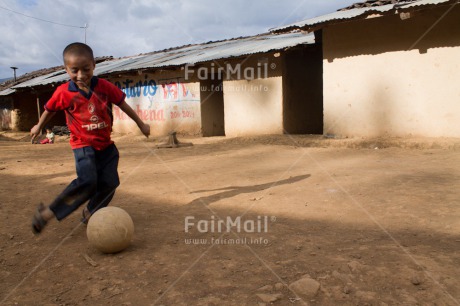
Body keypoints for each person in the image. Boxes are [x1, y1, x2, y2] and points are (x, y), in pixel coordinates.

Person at [30, 42, 150, 234]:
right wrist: (38, 126)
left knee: (110, 183)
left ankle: (91, 210)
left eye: (85, 69)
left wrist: (141, 124)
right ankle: (48, 213)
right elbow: (49, 110)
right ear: (66, 69)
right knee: (88, 181)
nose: (80, 75)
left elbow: (123, 104)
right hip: (82, 145)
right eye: (74, 70)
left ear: (94, 65)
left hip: (106, 146)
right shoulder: (63, 92)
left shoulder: (104, 87)